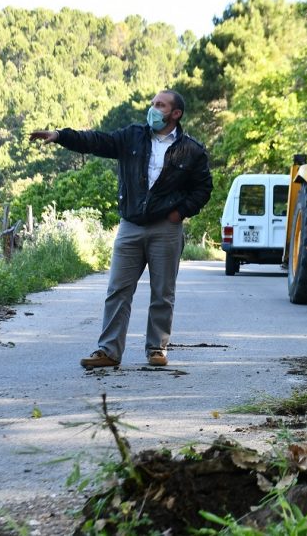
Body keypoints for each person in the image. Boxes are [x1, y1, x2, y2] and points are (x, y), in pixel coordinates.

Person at [29, 90, 213, 368]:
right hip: (130, 226)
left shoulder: (192, 150)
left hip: (166, 227)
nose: (152, 109)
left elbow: (203, 188)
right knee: (118, 290)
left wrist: (179, 213)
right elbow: (97, 140)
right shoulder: (132, 136)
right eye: (152, 104)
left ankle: (156, 349)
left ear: (175, 114)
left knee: (163, 292)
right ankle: (109, 351)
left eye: (160, 105)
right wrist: (60, 136)